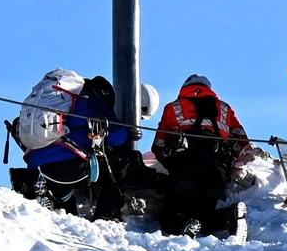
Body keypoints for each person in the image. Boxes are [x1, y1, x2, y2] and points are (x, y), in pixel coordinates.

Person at [15, 72, 139, 220]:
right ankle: (108, 215)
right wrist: (127, 132)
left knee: (66, 208)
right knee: (117, 165)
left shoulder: (58, 101)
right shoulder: (94, 101)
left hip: (35, 163)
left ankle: (35, 186)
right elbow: (118, 138)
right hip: (68, 167)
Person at [152, 73, 251, 238]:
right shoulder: (225, 108)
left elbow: (158, 145)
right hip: (216, 170)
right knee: (204, 211)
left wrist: (169, 163)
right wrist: (229, 160)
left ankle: (184, 225)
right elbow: (242, 140)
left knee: (169, 213)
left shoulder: (173, 108)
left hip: (185, 166)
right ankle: (228, 216)